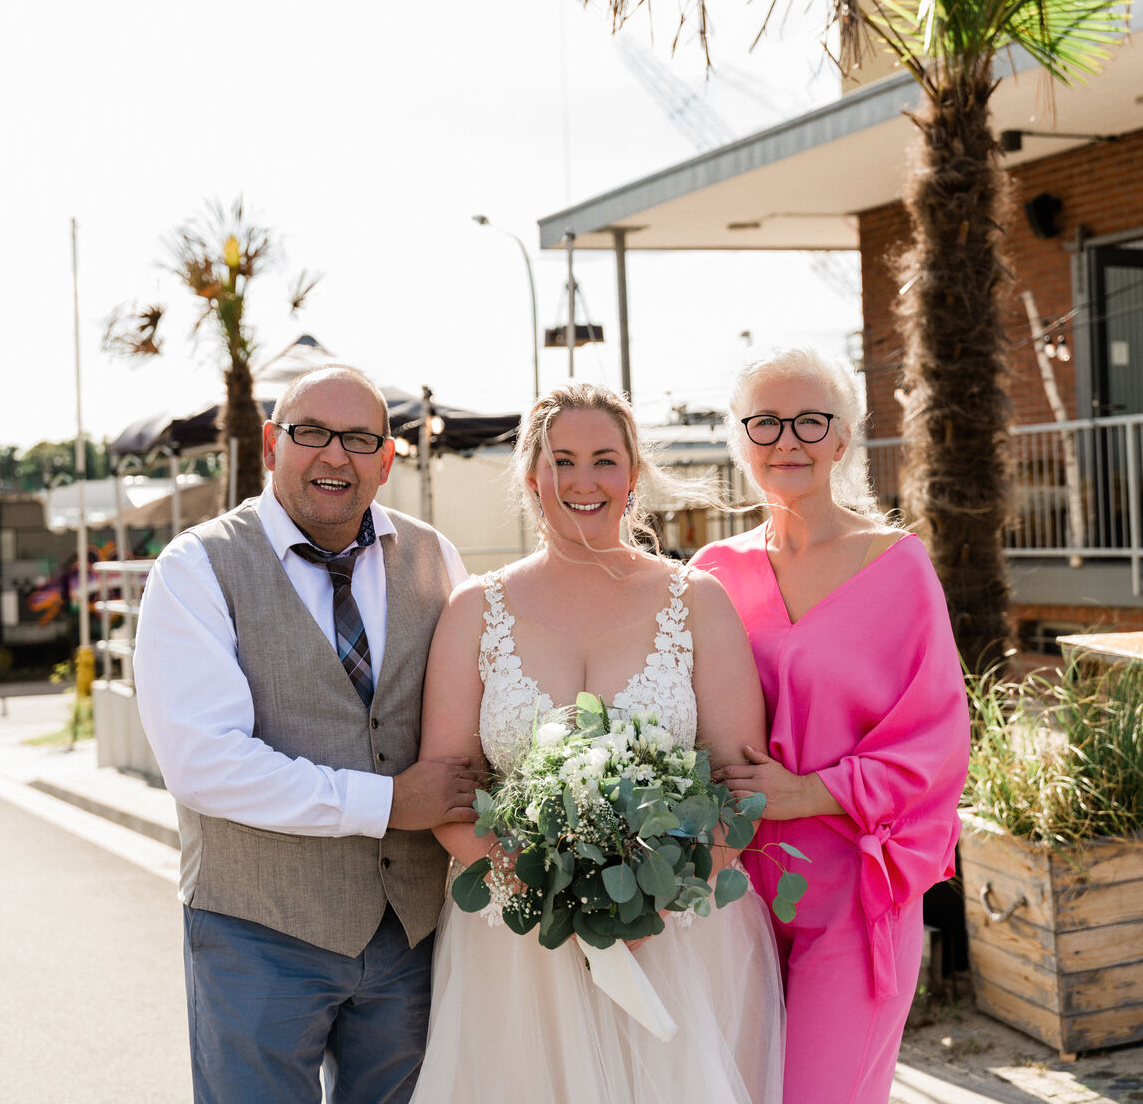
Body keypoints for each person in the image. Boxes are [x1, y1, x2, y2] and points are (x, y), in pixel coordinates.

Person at [411, 381, 785, 1104]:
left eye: (605, 460)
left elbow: (741, 783)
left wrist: (654, 907)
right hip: (518, 944)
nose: (584, 481)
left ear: (632, 475)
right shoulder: (472, 612)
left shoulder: (696, 601)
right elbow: (445, 787)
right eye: (562, 460)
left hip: (677, 936)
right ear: (532, 478)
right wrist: (541, 894)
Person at [133, 364, 482, 1104]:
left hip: (411, 934)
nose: (334, 456)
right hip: (258, 932)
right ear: (269, 445)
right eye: (311, 433)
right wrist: (386, 803)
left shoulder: (435, 559)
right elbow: (205, 764)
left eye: (358, 439)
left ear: (387, 460)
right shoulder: (196, 568)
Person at [693, 348, 970, 1104]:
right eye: (766, 422)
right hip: (731, 892)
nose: (788, 440)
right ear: (740, 439)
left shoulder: (896, 565)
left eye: (810, 421)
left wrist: (805, 793)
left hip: (852, 888)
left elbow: (938, 740)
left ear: (842, 439)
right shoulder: (711, 571)